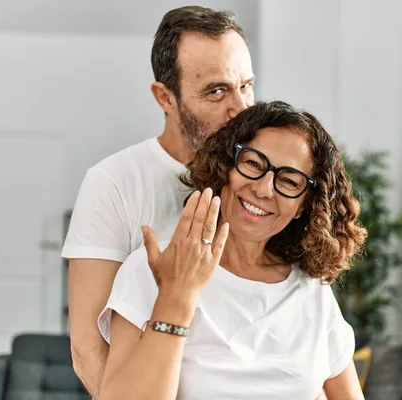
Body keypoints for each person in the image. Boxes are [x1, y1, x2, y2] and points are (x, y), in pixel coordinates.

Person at [96, 101, 368, 399]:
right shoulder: (154, 266)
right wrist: (176, 295)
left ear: (304, 204)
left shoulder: (311, 291)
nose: (264, 189)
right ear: (226, 165)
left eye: (289, 181)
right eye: (253, 164)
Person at [61, 6, 255, 397]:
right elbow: (87, 347)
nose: (241, 108)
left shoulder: (261, 182)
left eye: (246, 85)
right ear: (164, 97)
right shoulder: (112, 183)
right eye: (217, 91)